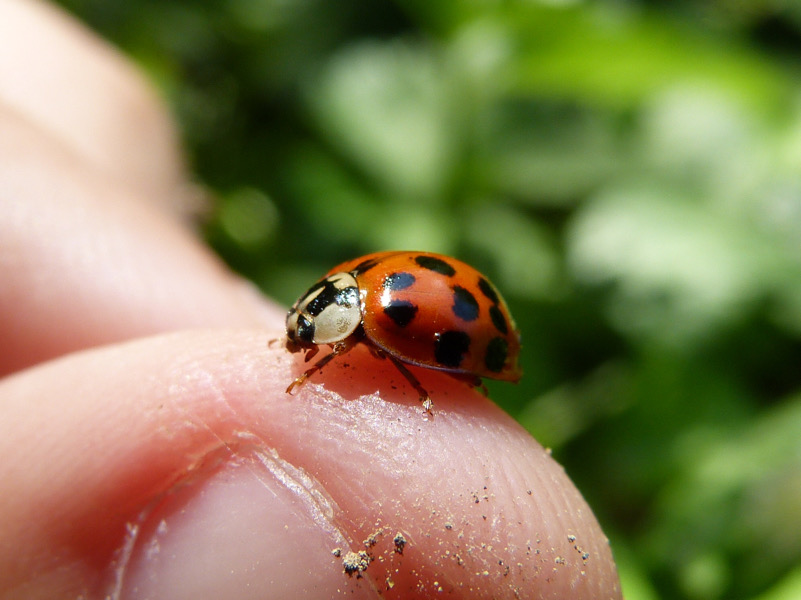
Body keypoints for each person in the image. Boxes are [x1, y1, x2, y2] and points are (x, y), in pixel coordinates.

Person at [0, 0, 622, 597]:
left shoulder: (374, 316)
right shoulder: (356, 299)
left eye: (307, 332)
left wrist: (398, 378)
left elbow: (387, 342)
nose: (303, 343)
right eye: (305, 329)